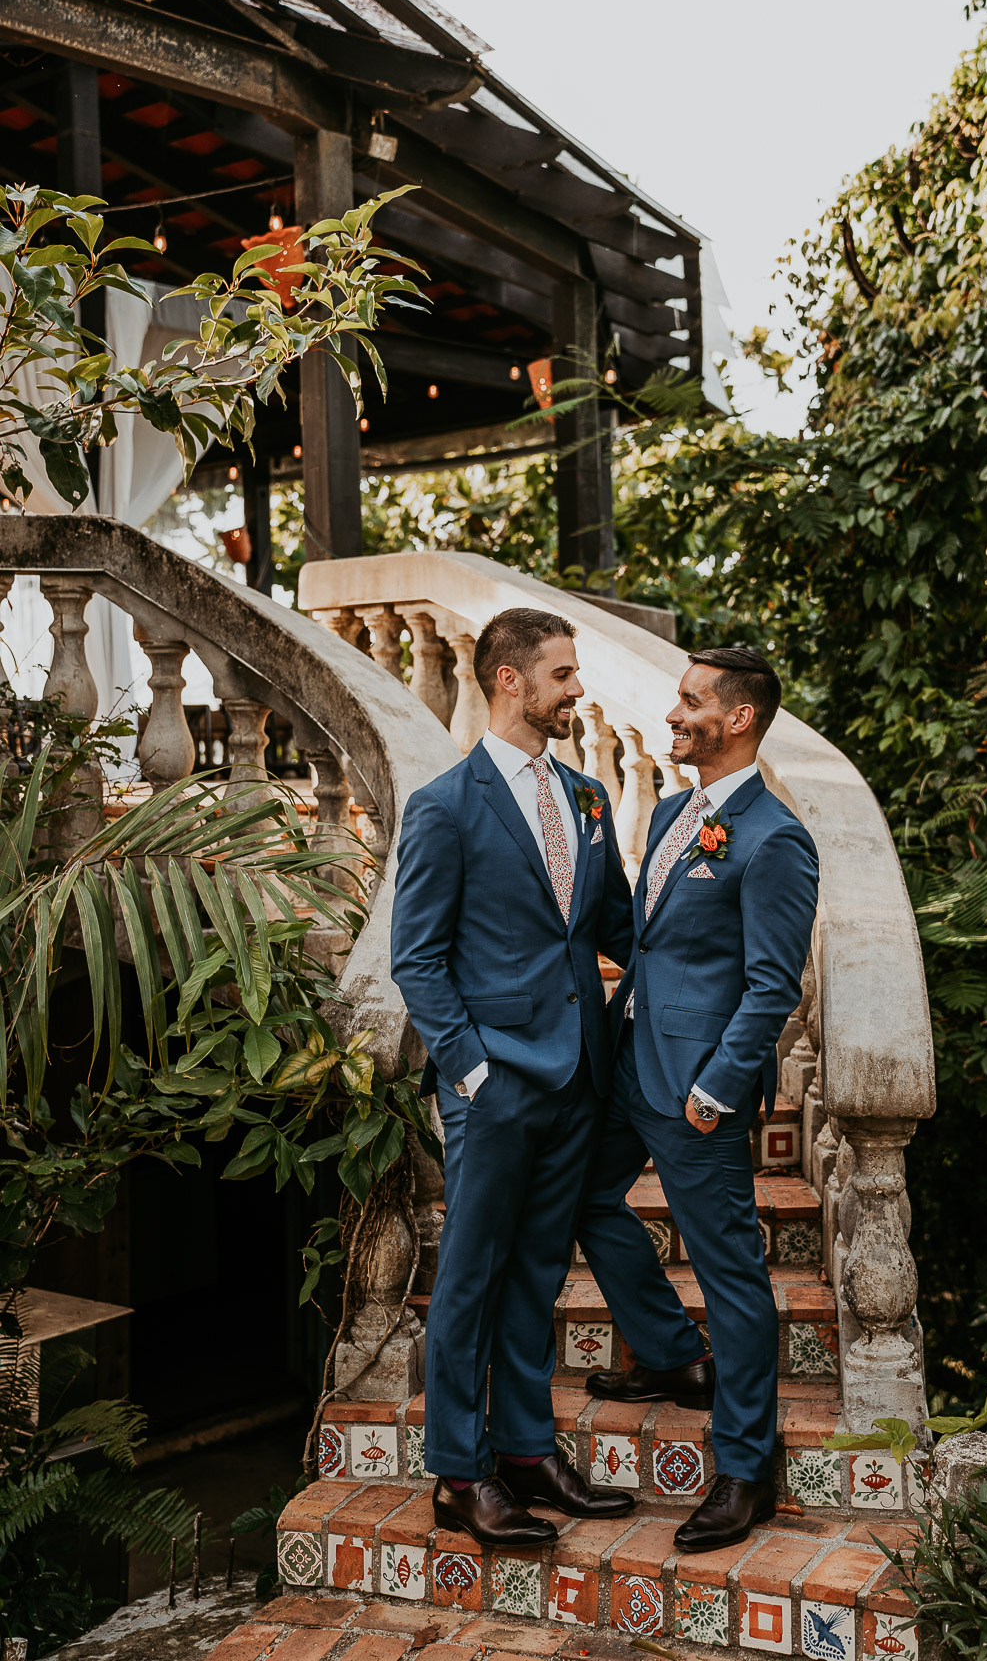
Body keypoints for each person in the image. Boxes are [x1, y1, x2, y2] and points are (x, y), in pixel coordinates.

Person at [391, 606, 636, 1547]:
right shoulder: (445, 807)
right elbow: (419, 959)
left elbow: (611, 926)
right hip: (495, 1085)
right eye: (564, 675)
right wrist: (473, 1072)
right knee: (469, 1281)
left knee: (539, 1274)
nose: (577, 690)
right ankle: (459, 1473)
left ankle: (528, 1451)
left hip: (579, 1077)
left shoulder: (586, 796)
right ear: (509, 681)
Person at [576, 647, 819, 1553]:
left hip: (695, 1092)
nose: (673, 713)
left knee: (732, 1273)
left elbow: (771, 987)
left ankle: (746, 1467)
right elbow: (647, 940)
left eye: (690, 701)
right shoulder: (678, 810)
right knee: (582, 1197)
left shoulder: (774, 839)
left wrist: (719, 1090)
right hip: (627, 1062)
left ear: (740, 718)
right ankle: (674, 1355)